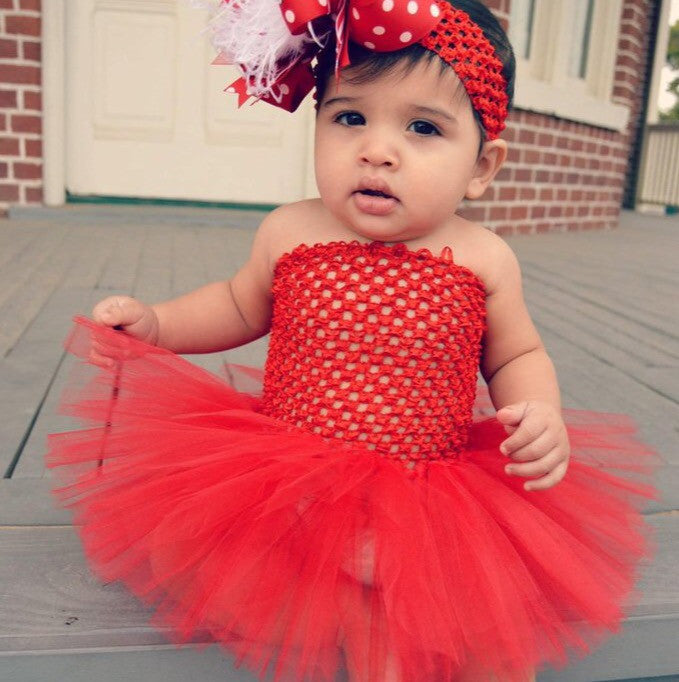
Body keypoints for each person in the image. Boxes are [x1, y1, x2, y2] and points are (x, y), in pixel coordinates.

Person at [46, 1, 659, 681]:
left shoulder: (483, 257)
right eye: (349, 118)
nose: (376, 149)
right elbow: (234, 305)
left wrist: (539, 411)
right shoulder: (289, 230)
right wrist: (157, 325)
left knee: (415, 598)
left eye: (422, 127)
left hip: (422, 484)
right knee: (290, 570)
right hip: (292, 471)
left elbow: (515, 355)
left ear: (482, 167)